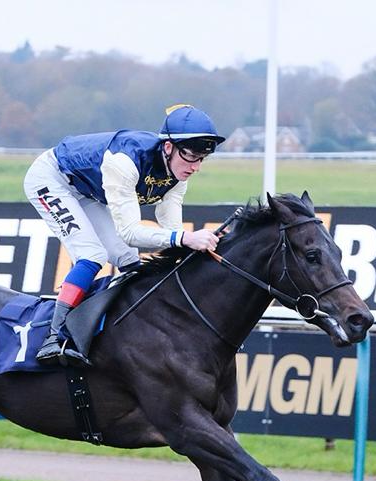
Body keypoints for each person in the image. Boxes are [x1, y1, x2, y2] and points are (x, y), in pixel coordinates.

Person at [23, 104, 225, 366]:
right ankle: (53, 338)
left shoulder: (179, 173)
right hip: (52, 178)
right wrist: (186, 238)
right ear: (167, 147)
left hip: (88, 191)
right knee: (92, 255)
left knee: (128, 259)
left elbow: (172, 232)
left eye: (201, 159)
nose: (195, 166)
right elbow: (130, 232)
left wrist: (198, 245)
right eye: (190, 156)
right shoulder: (125, 162)